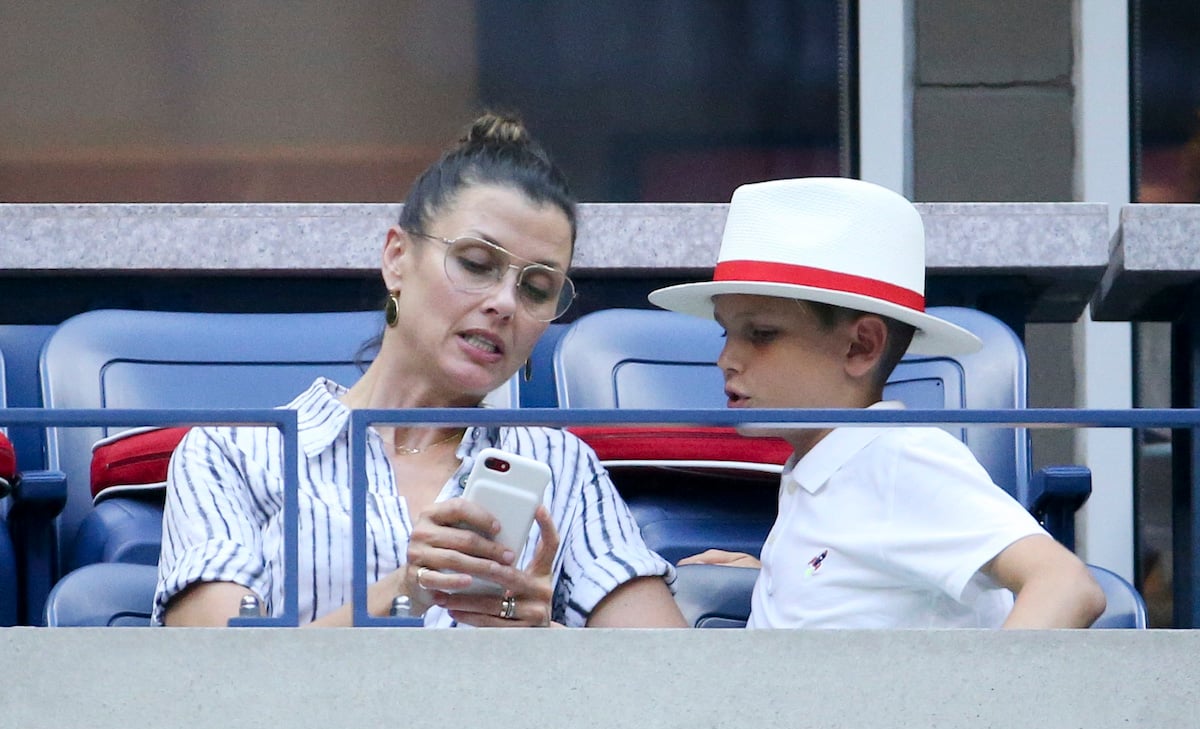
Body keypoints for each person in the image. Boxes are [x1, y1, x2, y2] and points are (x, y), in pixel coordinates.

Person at [155, 112, 687, 628]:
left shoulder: (561, 466)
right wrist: (404, 591)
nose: (504, 302)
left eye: (537, 289)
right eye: (477, 264)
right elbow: (214, 682)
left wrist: (542, 638)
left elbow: (674, 682)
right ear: (396, 258)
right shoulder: (234, 453)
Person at [649, 177, 1106, 629]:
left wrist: (983, 703)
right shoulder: (826, 465)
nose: (726, 359)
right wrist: (780, 579)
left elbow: (1065, 585)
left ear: (860, 347)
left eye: (762, 334)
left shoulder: (901, 460)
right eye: (726, 332)